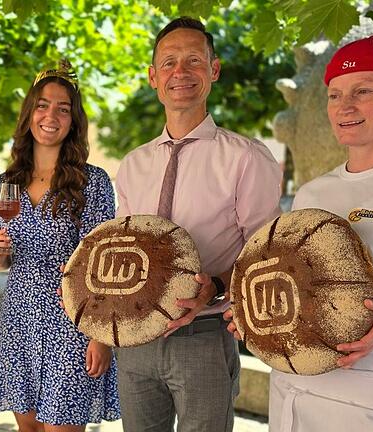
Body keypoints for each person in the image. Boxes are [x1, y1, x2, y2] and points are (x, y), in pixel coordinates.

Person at [225, 35, 373, 431]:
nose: (345, 107)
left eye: (363, 91)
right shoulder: (315, 191)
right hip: (292, 399)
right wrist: (257, 319)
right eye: (335, 95)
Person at [113, 17, 282, 431]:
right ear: (154, 77)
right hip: (136, 341)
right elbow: (124, 247)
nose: (180, 72)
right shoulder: (134, 163)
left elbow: (267, 254)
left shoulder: (246, 157)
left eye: (193, 60)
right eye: (168, 63)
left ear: (214, 70)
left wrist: (219, 286)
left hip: (205, 335)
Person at [0, 60, 121, 432]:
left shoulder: (93, 182)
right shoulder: (6, 183)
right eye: (43, 105)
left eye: (63, 109)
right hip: (19, 318)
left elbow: (103, 266)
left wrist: (99, 336)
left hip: (72, 322)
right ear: (30, 114)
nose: (51, 115)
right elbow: (3, 258)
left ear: (74, 121)